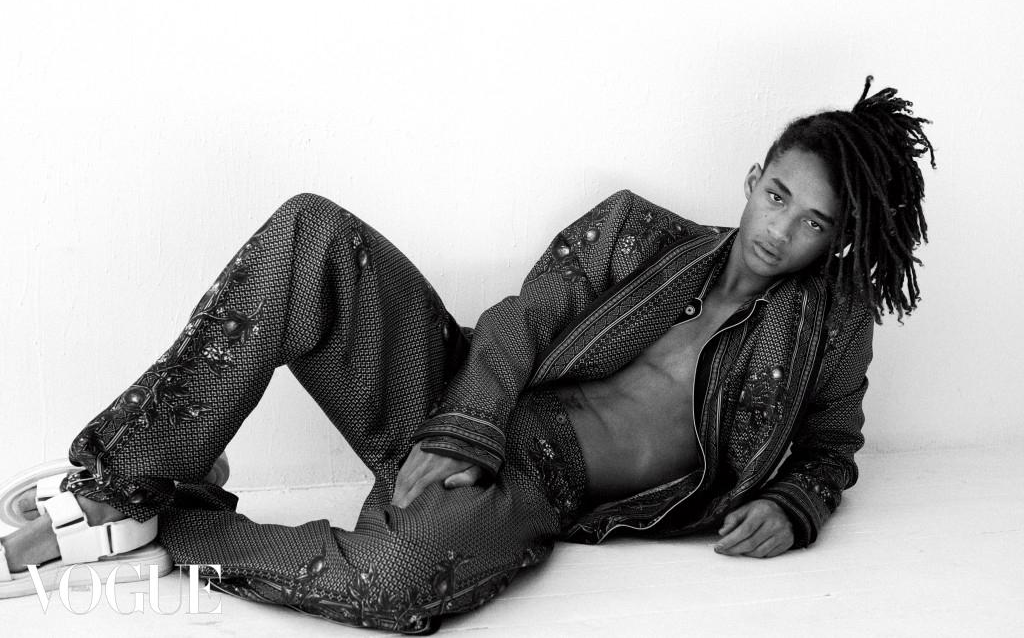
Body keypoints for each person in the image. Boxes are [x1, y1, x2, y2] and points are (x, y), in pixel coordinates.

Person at [0, 77, 934, 633]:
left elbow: (830, 447)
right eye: (778, 197)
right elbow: (521, 319)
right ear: (753, 178)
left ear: (839, 239)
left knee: (395, 582)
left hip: (538, 484)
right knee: (310, 232)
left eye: (814, 223)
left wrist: (795, 506)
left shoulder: (831, 328)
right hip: (463, 394)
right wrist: (468, 424)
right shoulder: (637, 231)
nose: (781, 230)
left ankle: (168, 526)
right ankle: (114, 487)